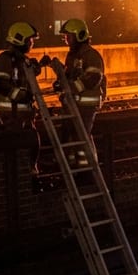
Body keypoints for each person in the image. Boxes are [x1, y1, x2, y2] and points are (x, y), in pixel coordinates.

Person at [0, 22, 41, 182]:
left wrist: (40, 65)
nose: (32, 43)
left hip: (23, 114)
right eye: (30, 40)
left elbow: (26, 73)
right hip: (12, 114)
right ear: (20, 40)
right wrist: (19, 95)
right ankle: (20, 177)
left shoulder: (21, 59)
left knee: (32, 141)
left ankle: (29, 172)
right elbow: (0, 83)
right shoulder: (5, 59)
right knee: (19, 145)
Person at [60, 18, 105, 167]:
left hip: (86, 105)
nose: (66, 40)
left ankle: (88, 169)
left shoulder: (91, 55)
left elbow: (93, 78)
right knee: (71, 137)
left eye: (69, 37)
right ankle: (74, 167)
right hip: (74, 103)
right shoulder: (72, 55)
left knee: (82, 137)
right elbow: (70, 76)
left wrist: (71, 88)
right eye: (65, 37)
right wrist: (61, 82)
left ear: (79, 36)